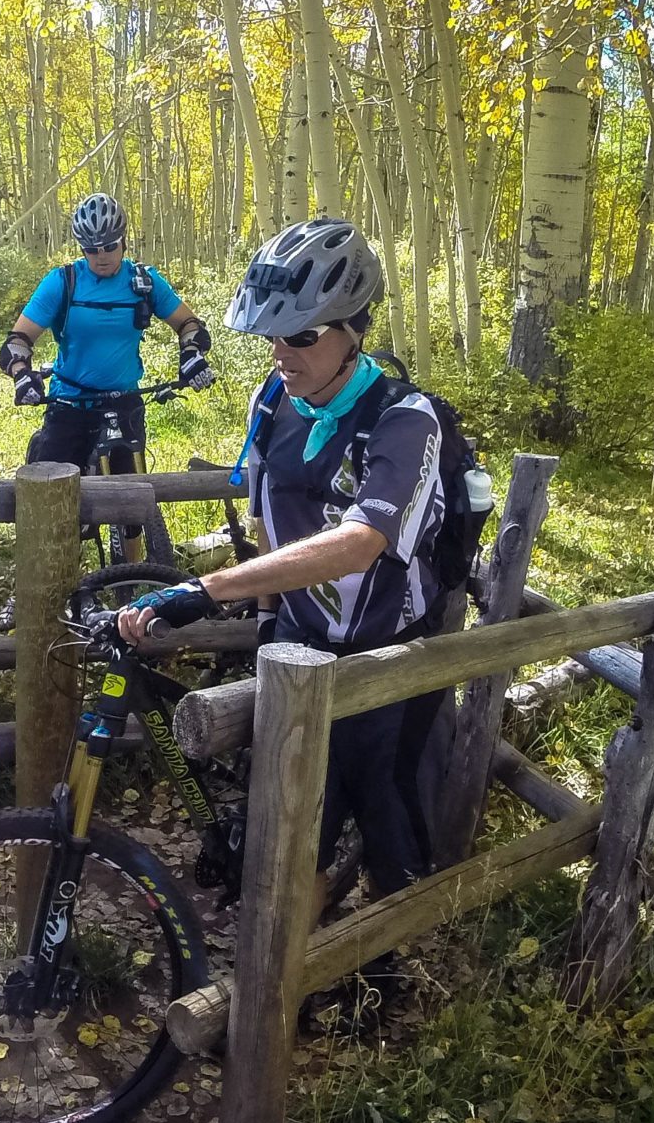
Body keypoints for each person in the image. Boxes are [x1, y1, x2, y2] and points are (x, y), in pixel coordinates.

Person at [115, 217, 486, 930]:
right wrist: (265, 614)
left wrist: (206, 590)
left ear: (354, 330)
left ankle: (384, 960)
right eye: (272, 336)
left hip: (382, 655)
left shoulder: (405, 420)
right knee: (294, 820)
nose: (282, 352)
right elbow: (266, 513)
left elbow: (359, 543)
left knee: (388, 820)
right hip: (296, 641)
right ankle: (295, 960)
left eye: (302, 335)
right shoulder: (273, 398)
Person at [0, 193, 215, 469]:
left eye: (109, 247)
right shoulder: (63, 282)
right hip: (69, 404)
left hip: (125, 406)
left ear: (123, 240)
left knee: (132, 493)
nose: (101, 256)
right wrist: (22, 374)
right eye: (91, 250)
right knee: (49, 488)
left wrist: (191, 355)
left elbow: (189, 325)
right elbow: (17, 342)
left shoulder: (144, 282)